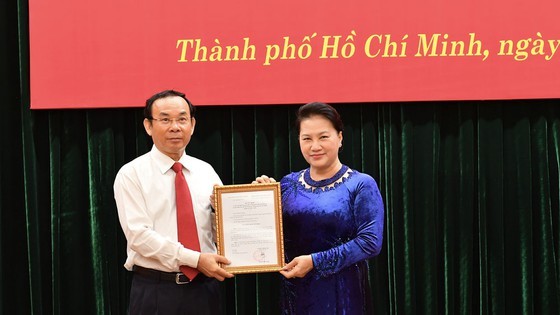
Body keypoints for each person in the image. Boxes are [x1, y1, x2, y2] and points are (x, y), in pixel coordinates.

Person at [254, 102, 384, 314]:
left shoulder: (361, 184)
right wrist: (259, 199)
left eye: (323, 137)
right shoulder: (288, 183)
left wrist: (314, 262)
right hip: (295, 292)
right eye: (307, 138)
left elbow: (370, 243)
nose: (315, 146)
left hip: (342, 292)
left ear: (340, 137)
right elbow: (271, 234)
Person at [113, 89, 234, 315]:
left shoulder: (206, 171)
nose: (175, 127)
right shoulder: (131, 174)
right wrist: (195, 259)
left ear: (192, 124)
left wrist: (255, 200)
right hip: (156, 290)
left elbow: (221, 231)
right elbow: (139, 236)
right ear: (148, 126)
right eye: (165, 119)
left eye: (182, 119)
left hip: (205, 290)